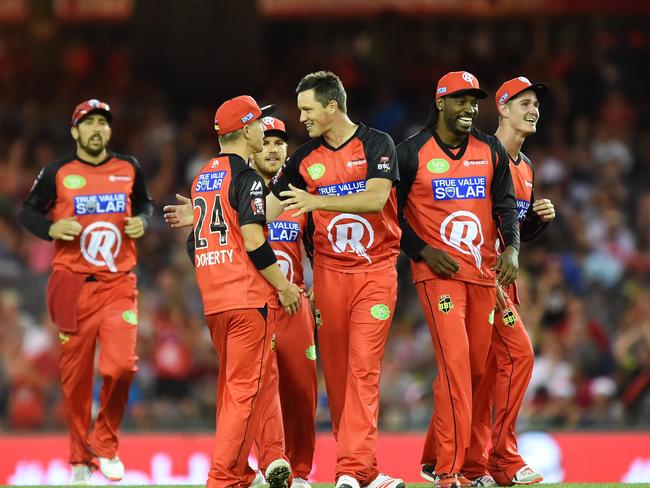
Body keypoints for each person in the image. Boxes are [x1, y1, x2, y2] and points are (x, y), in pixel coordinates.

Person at [163, 116, 317, 488]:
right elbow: (253, 239)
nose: (267, 138)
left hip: (219, 300)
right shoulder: (245, 179)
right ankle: (224, 477)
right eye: (262, 131)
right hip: (254, 298)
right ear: (247, 132)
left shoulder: (205, 178)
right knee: (246, 391)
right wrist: (282, 285)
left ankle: (271, 462)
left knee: (248, 387)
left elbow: (204, 241)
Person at [268, 71, 404, 488]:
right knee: (340, 376)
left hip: (375, 271)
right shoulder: (302, 159)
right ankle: (363, 470)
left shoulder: (378, 144)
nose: (302, 117)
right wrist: (205, 217)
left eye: (307, 109)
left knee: (364, 369)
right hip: (328, 275)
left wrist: (317, 200)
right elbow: (267, 210)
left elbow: (377, 198)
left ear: (332, 107)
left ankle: (350, 470)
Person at [19, 99, 154, 484]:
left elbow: (144, 203)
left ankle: (106, 444)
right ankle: (80, 460)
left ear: (109, 131)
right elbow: (27, 211)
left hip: (118, 283)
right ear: (75, 131)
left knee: (121, 366)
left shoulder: (128, 167)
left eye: (102, 123)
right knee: (75, 380)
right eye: (88, 123)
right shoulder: (57, 172)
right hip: (72, 284)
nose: (97, 129)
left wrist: (142, 221)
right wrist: (51, 230)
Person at [396, 71, 520, 488]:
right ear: (440, 104)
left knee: (476, 373)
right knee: (454, 367)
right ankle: (450, 471)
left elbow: (506, 205)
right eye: (461, 100)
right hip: (437, 276)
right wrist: (421, 251)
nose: (469, 108)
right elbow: (388, 212)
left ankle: (450, 461)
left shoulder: (491, 149)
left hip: (483, 274)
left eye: (474, 101)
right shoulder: (411, 152)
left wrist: (512, 249)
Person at [464, 77, 555, 487]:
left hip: (502, 279)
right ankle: (504, 458)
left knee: (490, 376)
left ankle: (473, 465)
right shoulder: (482, 155)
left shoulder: (527, 166)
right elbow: (471, 222)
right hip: (480, 277)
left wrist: (532, 223)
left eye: (536, 104)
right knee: (520, 357)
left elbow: (509, 230)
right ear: (502, 108)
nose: (533, 110)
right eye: (524, 103)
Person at [252, 117, 318, 488]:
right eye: (266, 142)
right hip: (256, 306)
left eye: (280, 142)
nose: (274, 149)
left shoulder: (299, 198)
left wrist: (317, 289)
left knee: (301, 390)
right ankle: (269, 465)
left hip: (295, 306)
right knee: (261, 388)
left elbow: (318, 250)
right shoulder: (239, 195)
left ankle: (302, 471)